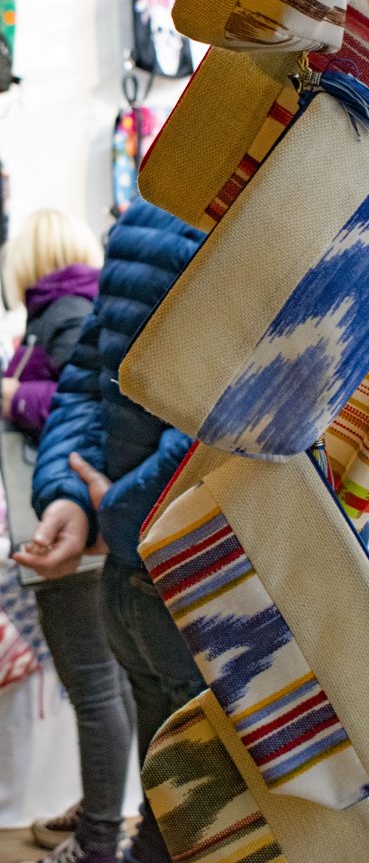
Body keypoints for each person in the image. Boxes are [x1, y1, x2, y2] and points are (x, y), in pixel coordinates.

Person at [14, 197, 206, 863]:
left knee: (204, 812)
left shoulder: (310, 180)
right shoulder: (153, 205)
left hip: (208, 563)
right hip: (136, 568)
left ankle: (97, 834)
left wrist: (120, 507)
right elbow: (94, 380)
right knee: (164, 810)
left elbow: (245, 402)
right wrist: (74, 495)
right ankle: (104, 834)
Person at [1, 209, 135, 863]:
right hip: (78, 520)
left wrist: (10, 397)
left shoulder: (64, 314)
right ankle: (100, 816)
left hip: (68, 523)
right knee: (107, 678)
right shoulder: (73, 310)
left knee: (93, 682)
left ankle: (98, 837)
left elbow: (79, 412)